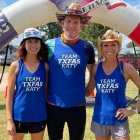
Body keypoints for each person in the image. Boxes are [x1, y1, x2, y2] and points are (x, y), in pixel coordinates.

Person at [46, 3, 95, 140]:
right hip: (53, 106)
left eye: (75, 22)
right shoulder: (50, 44)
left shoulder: (87, 47)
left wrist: (87, 90)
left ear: (81, 25)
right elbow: (42, 71)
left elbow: (94, 71)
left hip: (77, 107)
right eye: (68, 21)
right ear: (62, 23)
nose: (71, 25)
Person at [86, 29, 140, 140]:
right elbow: (87, 92)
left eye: (113, 44)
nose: (109, 48)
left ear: (119, 47)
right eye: (105, 45)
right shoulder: (96, 68)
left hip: (119, 120)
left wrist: (133, 110)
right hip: (100, 119)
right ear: (101, 48)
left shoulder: (126, 68)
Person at [6, 28, 49, 140]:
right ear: (24, 44)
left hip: (39, 116)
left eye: (36, 41)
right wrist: (9, 120)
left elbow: (46, 93)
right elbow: (10, 95)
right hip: (19, 116)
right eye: (29, 41)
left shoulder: (45, 66)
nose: (33, 45)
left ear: (40, 44)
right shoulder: (15, 65)